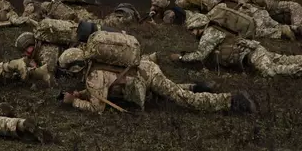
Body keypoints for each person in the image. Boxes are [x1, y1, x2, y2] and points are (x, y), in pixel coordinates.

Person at [57, 33, 257, 114]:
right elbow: (101, 90)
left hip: (147, 75)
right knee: (173, 92)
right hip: (145, 70)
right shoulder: (94, 66)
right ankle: (197, 87)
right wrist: (81, 94)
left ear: (76, 66)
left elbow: (97, 108)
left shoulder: (92, 76)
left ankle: (231, 101)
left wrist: (73, 102)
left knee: (182, 99)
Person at [170, 11, 302, 78]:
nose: (192, 33)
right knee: (282, 59)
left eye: (192, 30)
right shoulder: (214, 29)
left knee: (272, 71)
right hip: (254, 49)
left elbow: (200, 55)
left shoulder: (209, 34)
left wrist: (181, 58)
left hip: (251, 54)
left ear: (200, 26)